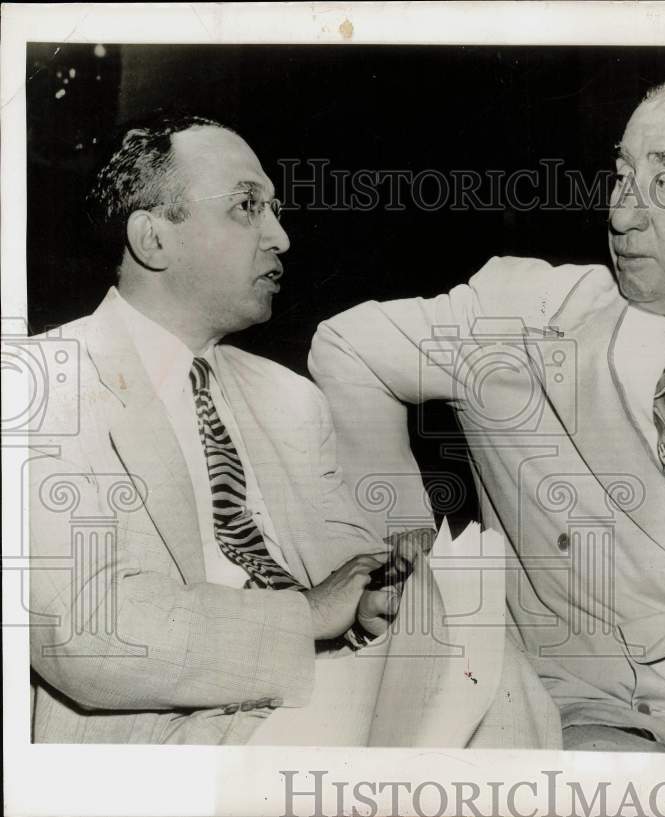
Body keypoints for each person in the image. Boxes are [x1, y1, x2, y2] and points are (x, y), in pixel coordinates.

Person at [309, 72, 665, 755]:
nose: (622, 213)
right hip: (561, 722)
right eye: (622, 174)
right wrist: (408, 551)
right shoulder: (522, 314)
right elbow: (349, 348)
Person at [28, 113, 402, 744]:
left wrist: (382, 590)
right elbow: (86, 628)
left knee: (499, 677)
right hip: (162, 738)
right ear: (153, 239)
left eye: (274, 210)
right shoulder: (41, 383)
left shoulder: (291, 398)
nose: (281, 237)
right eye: (246, 207)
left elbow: (345, 571)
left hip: (329, 699)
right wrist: (306, 615)